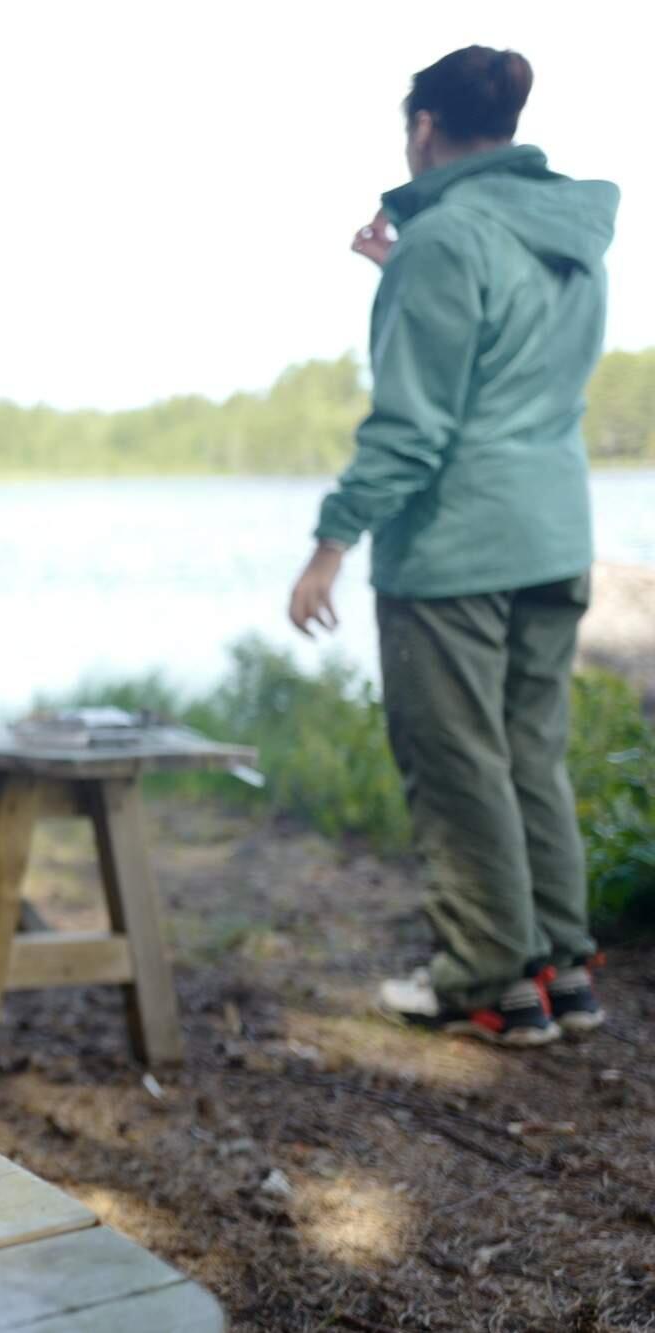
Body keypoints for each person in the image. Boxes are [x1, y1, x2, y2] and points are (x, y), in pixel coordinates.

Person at [288, 46, 619, 1046]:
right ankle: (556, 969)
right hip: (551, 530)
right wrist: (407, 271)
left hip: (457, 545)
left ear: (422, 130)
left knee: (455, 760)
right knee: (530, 756)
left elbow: (415, 427)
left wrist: (328, 542)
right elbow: (508, 359)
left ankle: (481, 981)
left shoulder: (446, 241)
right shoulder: (564, 234)